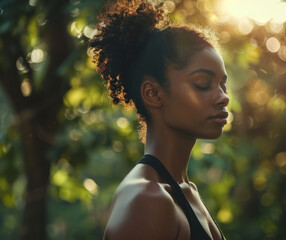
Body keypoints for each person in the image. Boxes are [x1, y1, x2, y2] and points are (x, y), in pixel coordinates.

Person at [89, 0, 229, 239]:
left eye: (223, 84)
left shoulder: (186, 191)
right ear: (153, 94)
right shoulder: (145, 200)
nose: (223, 97)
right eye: (203, 85)